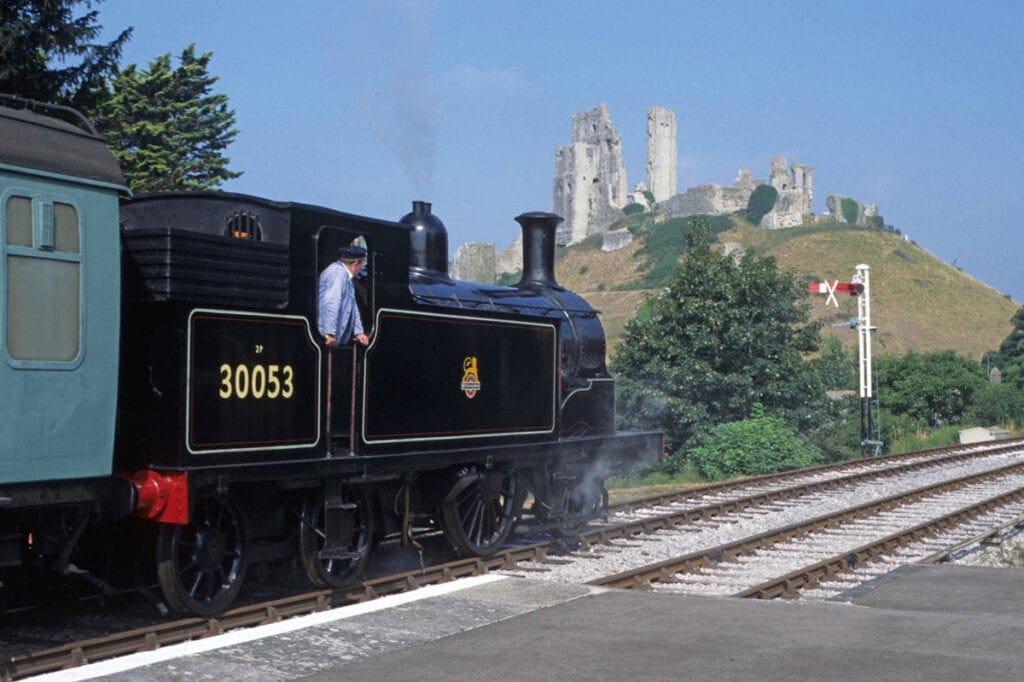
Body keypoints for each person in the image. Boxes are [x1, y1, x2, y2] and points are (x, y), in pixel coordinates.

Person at [318, 244, 369, 347]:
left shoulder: (346, 277)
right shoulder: (337, 274)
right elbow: (331, 304)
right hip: (328, 338)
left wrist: (358, 332)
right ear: (356, 264)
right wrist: (329, 333)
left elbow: (353, 306)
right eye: (361, 264)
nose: (361, 269)